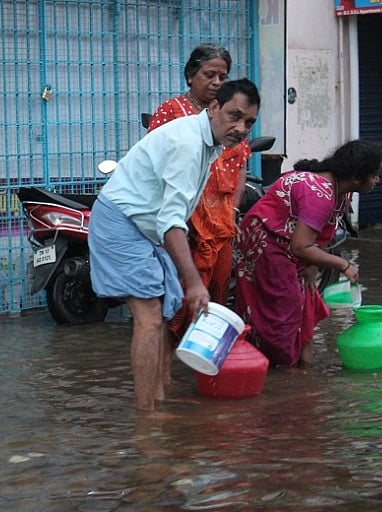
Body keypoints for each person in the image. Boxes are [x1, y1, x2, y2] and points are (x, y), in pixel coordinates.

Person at [88, 79, 261, 411]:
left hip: (143, 228)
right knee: (150, 316)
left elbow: (172, 213)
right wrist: (195, 282)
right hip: (121, 222)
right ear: (213, 108)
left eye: (249, 122)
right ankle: (147, 417)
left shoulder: (208, 142)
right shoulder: (187, 143)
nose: (240, 128)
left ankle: (158, 400)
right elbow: (170, 222)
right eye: (234, 116)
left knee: (165, 310)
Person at [147, 45, 253, 383]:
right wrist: (184, 222)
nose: (216, 81)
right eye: (209, 74)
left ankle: (200, 366)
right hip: (184, 220)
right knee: (178, 295)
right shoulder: (173, 111)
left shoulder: (231, 117)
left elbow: (239, 168)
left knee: (215, 294)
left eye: (222, 75)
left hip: (220, 221)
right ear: (190, 75)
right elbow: (159, 166)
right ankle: (164, 373)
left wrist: (233, 210)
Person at [234, 140, 382, 367]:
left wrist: (312, 267)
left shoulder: (341, 193)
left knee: (305, 298)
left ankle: (301, 363)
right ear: (356, 178)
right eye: (373, 175)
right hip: (266, 241)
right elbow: (301, 247)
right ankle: (281, 366)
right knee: (285, 309)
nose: (377, 181)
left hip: (287, 242)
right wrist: (342, 265)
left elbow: (317, 237)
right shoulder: (320, 195)